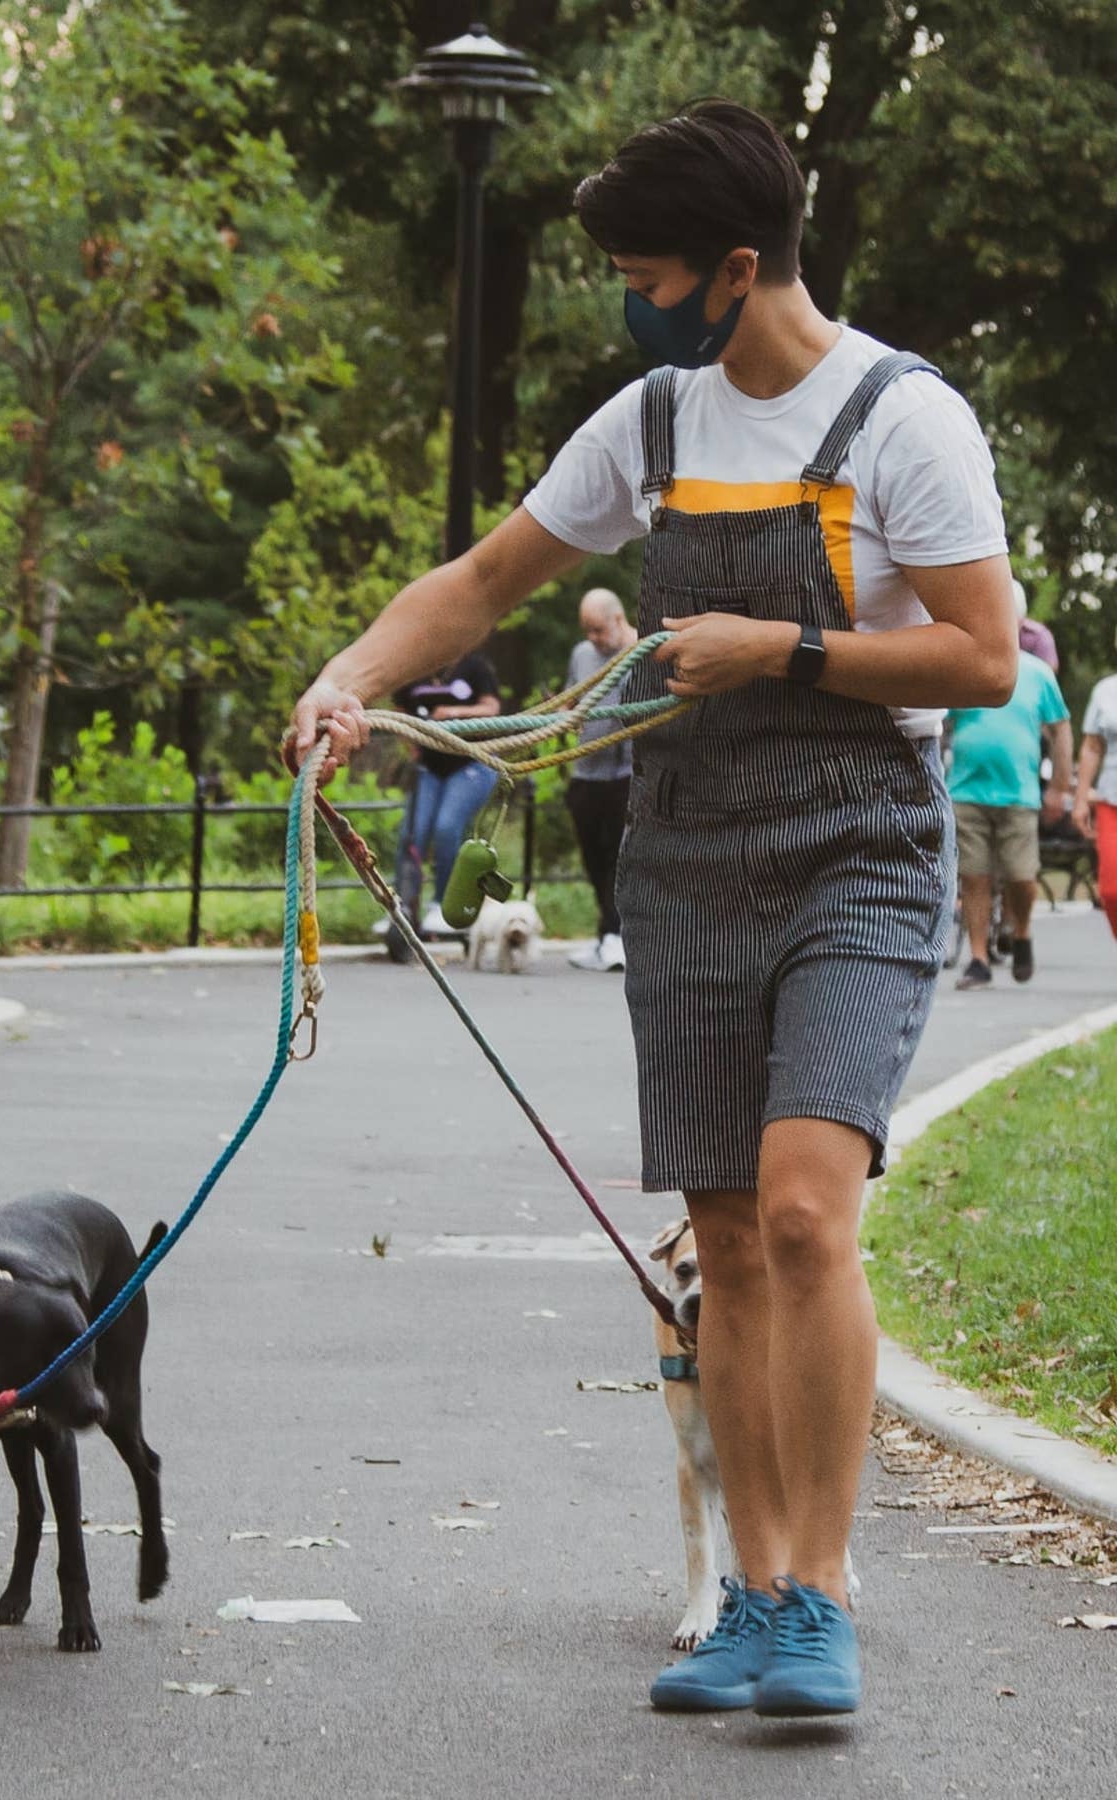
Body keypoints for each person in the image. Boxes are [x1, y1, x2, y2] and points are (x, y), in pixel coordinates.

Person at [284, 101, 1015, 1718]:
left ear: (736, 268)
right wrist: (349, 683)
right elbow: (483, 581)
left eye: (641, 270)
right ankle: (753, 1594)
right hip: (685, 858)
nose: (626, 295)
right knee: (732, 1243)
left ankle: (821, 1593)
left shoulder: (905, 419)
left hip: (857, 847)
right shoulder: (655, 419)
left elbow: (980, 652)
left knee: (812, 1209)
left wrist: (784, 652)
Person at [945, 587, 1072, 989]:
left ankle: (1021, 933)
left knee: (1022, 876)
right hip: (966, 789)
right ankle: (979, 959)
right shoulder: (964, 666)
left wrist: (1058, 788)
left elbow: (1061, 730)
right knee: (974, 876)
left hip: (1019, 791)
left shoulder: (1036, 671)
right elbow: (938, 723)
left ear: (1017, 624)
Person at [385, 650, 503, 942]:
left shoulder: (474, 665)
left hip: (471, 763)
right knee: (413, 833)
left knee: (446, 827)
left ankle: (443, 903)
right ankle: (402, 906)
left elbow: (491, 708)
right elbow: (399, 710)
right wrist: (411, 743)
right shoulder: (415, 668)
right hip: (430, 767)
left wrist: (452, 714)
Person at [563, 588, 637, 972]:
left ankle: (616, 934)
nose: (592, 638)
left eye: (598, 630)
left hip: (625, 771)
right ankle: (605, 932)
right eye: (587, 630)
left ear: (618, 621)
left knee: (620, 857)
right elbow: (571, 698)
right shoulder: (581, 654)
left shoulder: (640, 652)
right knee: (593, 855)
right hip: (585, 771)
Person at [1077, 665, 1117, 938]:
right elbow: (1092, 746)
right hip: (1111, 800)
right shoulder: (1105, 690)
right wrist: (1081, 798)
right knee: (1111, 891)